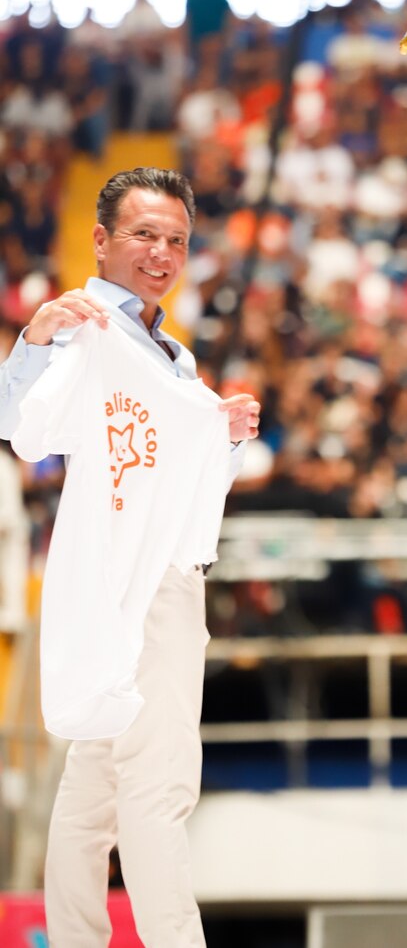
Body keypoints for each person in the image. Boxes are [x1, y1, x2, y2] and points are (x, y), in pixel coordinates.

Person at [0, 167, 260, 947]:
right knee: (161, 778)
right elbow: (26, 430)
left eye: (177, 239)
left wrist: (225, 429)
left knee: (95, 777)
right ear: (101, 239)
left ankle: (77, 937)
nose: (162, 252)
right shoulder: (86, 331)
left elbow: (180, 465)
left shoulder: (171, 355)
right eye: (145, 234)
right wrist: (36, 340)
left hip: (126, 571)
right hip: (143, 580)